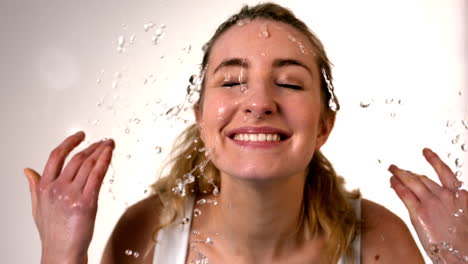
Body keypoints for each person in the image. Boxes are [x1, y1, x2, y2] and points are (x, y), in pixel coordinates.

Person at [24, 3, 467, 264]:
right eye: (232, 81)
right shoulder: (149, 234)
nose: (258, 102)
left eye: (291, 83)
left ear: (323, 127)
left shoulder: (376, 242)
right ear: (201, 117)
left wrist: (461, 255)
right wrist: (61, 255)